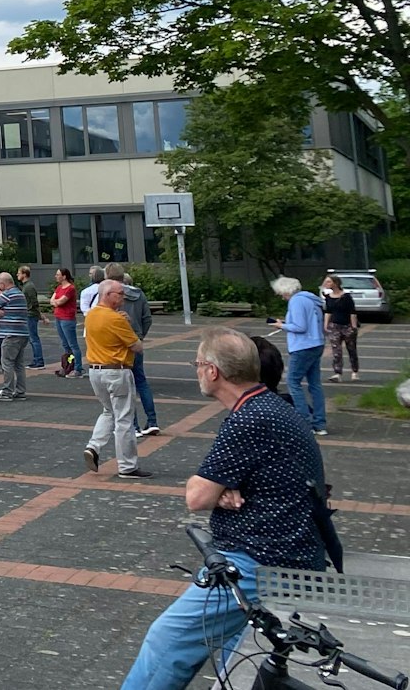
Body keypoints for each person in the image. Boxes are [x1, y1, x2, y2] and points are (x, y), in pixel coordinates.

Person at [120, 327, 329, 690]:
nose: (196, 370)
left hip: (259, 562)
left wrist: (216, 491)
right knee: (233, 649)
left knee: (167, 641)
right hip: (293, 553)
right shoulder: (272, 406)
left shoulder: (248, 420)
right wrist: (224, 488)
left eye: (198, 363)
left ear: (212, 371)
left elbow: (196, 496)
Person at [80, 279, 149, 479]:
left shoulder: (91, 315)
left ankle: (93, 446)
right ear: (107, 295)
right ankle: (127, 466)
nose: (123, 298)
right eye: (119, 294)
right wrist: (128, 324)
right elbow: (137, 346)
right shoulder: (116, 319)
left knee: (108, 411)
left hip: (95, 370)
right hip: (116, 370)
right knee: (124, 419)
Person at [104, 263, 159, 435]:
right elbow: (147, 318)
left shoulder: (112, 295)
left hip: (120, 345)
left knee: (126, 386)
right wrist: (140, 335)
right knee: (141, 382)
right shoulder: (139, 294)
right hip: (136, 341)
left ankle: (133, 425)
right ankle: (152, 421)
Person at [270, 276, 328, 435]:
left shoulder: (296, 301)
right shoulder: (311, 299)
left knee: (293, 382)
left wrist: (281, 325)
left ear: (286, 290)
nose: (281, 296)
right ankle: (320, 423)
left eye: (281, 293)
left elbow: (299, 327)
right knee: (315, 384)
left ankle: (305, 422)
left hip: (303, 346)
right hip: (317, 343)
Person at [0, 272, 29, 402]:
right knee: (19, 364)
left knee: (7, 363)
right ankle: (21, 390)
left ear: (2, 283)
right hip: (22, 333)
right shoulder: (20, 294)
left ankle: (7, 391)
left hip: (10, 334)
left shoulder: (7, 294)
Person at [322, 274, 360, 382]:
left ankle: (355, 371)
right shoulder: (328, 297)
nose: (326, 284)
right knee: (336, 351)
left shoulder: (346, 297)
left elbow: (352, 312)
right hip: (334, 326)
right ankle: (337, 373)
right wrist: (326, 324)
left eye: (329, 282)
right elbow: (328, 311)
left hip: (347, 325)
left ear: (336, 283)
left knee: (351, 349)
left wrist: (353, 327)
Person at [51, 267, 83, 376]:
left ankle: (78, 368)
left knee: (72, 344)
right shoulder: (59, 288)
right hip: (59, 318)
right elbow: (52, 300)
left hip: (67, 319)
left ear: (64, 276)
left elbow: (60, 302)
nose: (56, 276)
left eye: (58, 274)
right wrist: (55, 302)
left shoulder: (70, 289)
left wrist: (56, 302)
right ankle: (68, 366)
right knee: (65, 345)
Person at [17, 265, 45, 368]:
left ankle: (39, 360)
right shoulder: (26, 286)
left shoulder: (29, 286)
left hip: (30, 315)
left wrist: (32, 311)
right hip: (29, 314)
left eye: (19, 273)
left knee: (33, 338)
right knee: (32, 338)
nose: (17, 275)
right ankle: (37, 360)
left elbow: (34, 301)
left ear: (24, 274)